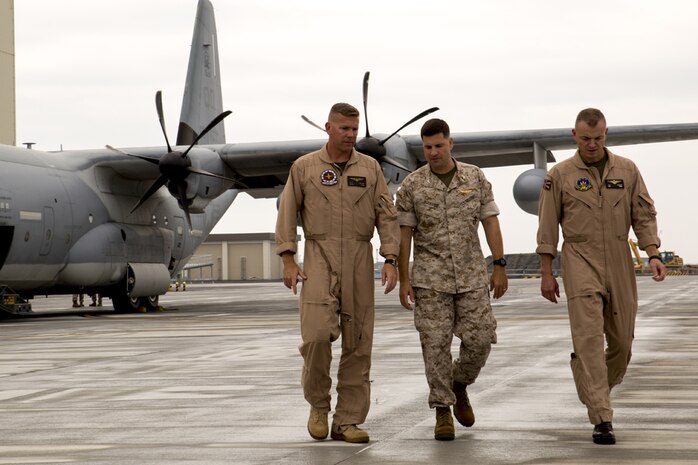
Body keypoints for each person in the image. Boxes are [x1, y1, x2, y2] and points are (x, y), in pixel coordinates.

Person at [536, 108, 667, 445]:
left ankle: (591, 386)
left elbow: (643, 213)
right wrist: (547, 272)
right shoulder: (560, 174)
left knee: (622, 343)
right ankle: (602, 418)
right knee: (590, 340)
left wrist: (652, 253)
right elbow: (548, 224)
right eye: (585, 139)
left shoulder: (627, 170)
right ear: (574, 135)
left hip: (620, 258)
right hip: (580, 258)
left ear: (606, 134)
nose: (592, 145)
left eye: (597, 138)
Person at [275, 102, 400, 443]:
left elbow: (386, 216)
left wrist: (391, 258)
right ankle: (318, 405)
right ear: (328, 128)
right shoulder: (305, 167)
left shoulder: (371, 168)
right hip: (318, 256)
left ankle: (348, 421)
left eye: (354, 129)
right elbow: (287, 211)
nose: (350, 135)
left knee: (359, 344)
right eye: (344, 129)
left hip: (360, 257)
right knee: (316, 337)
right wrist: (288, 257)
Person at [395, 118, 507, 441]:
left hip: (472, 277)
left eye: (438, 146)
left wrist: (499, 264)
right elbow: (404, 236)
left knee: (482, 339)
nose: (433, 152)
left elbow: (491, 223)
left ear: (450, 143)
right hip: (430, 280)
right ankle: (443, 410)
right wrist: (405, 278)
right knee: (435, 346)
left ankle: (460, 384)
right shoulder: (413, 186)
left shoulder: (474, 177)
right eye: (427, 147)